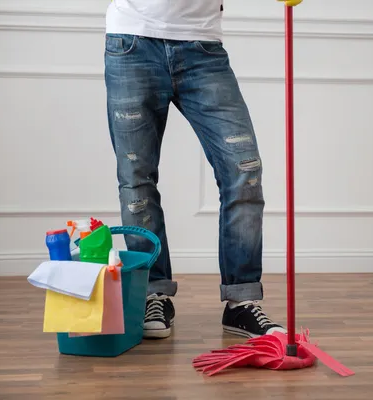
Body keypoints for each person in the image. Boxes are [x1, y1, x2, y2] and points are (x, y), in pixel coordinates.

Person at [104, 0, 301, 339]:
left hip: (203, 49)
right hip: (132, 41)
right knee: (137, 179)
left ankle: (241, 302)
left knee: (244, 170)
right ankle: (153, 292)